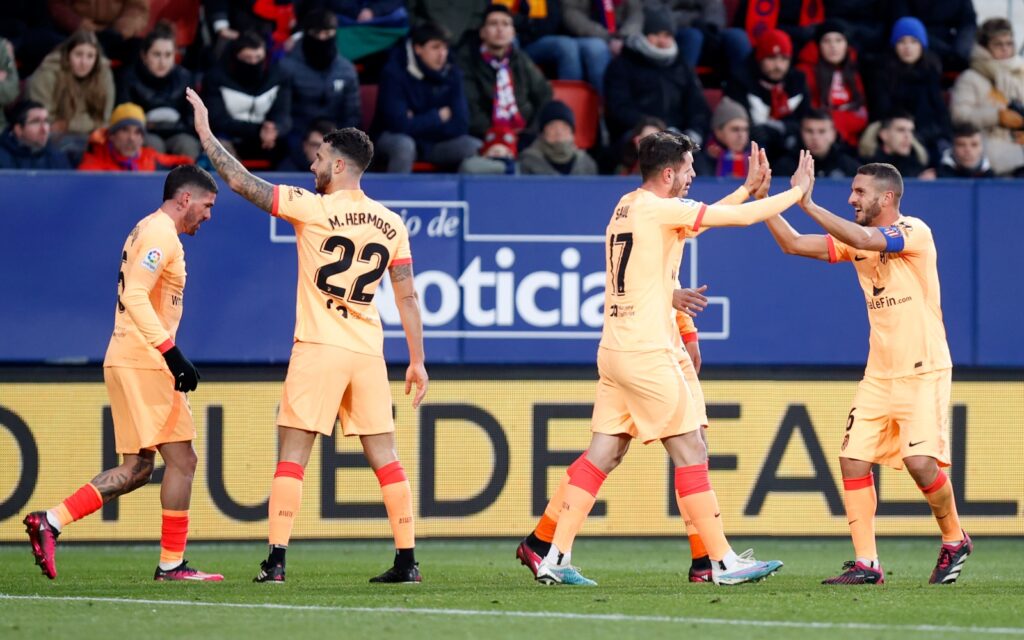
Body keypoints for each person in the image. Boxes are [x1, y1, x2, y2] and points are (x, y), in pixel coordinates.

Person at [518, 132, 811, 587]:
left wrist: (745, 190)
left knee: (603, 453)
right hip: (646, 351)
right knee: (690, 449)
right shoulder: (657, 209)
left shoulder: (628, 205)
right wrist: (795, 192)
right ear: (669, 172)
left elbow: (701, 221)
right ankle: (720, 561)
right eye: (690, 169)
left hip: (615, 349)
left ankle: (555, 555)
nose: (694, 176)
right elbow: (740, 220)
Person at [186, 87, 429, 584]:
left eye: (319, 157)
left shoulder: (311, 207)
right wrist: (418, 360)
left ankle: (275, 561)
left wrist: (207, 135)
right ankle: (407, 561)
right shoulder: (391, 223)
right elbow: (406, 296)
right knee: (387, 458)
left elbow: (240, 181)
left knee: (292, 455)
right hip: (367, 352)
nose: (313, 165)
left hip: (319, 346)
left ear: (339, 165)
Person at [762, 162, 972, 585]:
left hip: (922, 368)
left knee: (919, 463)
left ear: (887, 197)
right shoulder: (857, 240)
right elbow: (792, 244)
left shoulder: (914, 232)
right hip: (879, 372)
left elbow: (863, 237)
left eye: (859, 192)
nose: (851, 198)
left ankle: (955, 538)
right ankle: (867, 565)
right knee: (852, 459)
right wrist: (766, 201)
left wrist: (807, 202)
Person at [23, 165, 221, 582]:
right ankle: (171, 565)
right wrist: (171, 354)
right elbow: (134, 294)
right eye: (206, 206)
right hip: (144, 360)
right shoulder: (159, 234)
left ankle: (51, 521)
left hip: (129, 356)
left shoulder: (148, 230)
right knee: (183, 461)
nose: (208, 215)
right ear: (185, 198)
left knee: (138, 469)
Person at [375, 22, 481, 173]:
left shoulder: (453, 74)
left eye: (444, 47)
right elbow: (398, 125)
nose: (442, 54)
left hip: (435, 144)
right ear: (418, 49)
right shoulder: (394, 73)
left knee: (473, 146)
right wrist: (438, 117)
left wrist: (416, 120)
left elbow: (461, 125)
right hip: (394, 139)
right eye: (435, 47)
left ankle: (458, 195)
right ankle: (397, 196)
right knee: (404, 146)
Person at [604, 8, 710, 147]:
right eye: (656, 34)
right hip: (636, 134)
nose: (662, 41)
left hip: (679, 137)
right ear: (643, 35)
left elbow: (698, 107)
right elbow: (618, 108)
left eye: (667, 35)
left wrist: (694, 132)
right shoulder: (623, 65)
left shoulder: (681, 66)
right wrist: (652, 126)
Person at [458, 4, 552, 141]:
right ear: (482, 32)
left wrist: (532, 130)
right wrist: (499, 134)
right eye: (493, 24)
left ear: (513, 33)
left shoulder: (521, 59)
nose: (500, 29)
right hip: (485, 136)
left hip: (524, 133)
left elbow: (544, 94)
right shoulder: (467, 61)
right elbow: (471, 108)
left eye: (505, 24)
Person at [201, 30, 292, 167]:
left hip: (266, 140)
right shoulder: (215, 78)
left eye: (258, 58)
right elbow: (217, 120)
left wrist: (275, 128)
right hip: (229, 138)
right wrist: (258, 130)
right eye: (247, 58)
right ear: (235, 57)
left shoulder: (278, 76)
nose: (254, 63)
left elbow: (283, 114)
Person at [867, 17, 952, 165]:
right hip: (893, 137)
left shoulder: (931, 73)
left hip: (927, 138)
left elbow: (940, 115)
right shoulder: (882, 73)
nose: (907, 47)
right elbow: (881, 111)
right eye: (902, 42)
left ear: (921, 45)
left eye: (913, 41)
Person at [950, 18, 1024, 177]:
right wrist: (997, 116)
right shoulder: (970, 78)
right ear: (984, 47)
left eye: (1009, 43)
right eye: (998, 44)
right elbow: (959, 116)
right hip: (987, 148)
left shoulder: (1021, 73)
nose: (1005, 49)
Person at [280, 9, 361, 154]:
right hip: (297, 139)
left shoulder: (346, 70)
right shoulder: (287, 67)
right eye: (317, 34)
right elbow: (283, 114)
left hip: (336, 139)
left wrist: (338, 141)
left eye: (328, 34)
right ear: (307, 33)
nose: (322, 39)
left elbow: (351, 115)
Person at [116, 23, 200, 159]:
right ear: (144, 56)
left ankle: (188, 181)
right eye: (156, 54)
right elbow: (126, 118)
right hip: (144, 133)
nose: (163, 62)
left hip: (179, 133)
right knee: (153, 145)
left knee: (187, 145)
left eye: (168, 55)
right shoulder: (129, 78)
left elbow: (192, 119)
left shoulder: (185, 78)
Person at [725, 28, 810, 163]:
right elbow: (735, 120)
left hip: (790, 147)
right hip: (752, 148)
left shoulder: (797, 82)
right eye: (771, 58)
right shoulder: (740, 81)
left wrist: (778, 130)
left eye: (784, 59)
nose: (778, 65)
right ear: (760, 58)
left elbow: (806, 120)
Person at [27, 30, 115, 159]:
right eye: (78, 55)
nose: (84, 62)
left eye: (90, 56)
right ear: (68, 54)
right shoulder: (47, 73)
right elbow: (44, 118)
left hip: (92, 134)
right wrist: (89, 124)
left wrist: (68, 124)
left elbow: (104, 118)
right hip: (53, 135)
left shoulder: (103, 74)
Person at [796, 20, 866, 149]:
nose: (833, 46)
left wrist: (837, 121)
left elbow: (862, 114)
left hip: (851, 142)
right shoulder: (805, 71)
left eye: (838, 40)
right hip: (817, 140)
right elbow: (811, 111)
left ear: (847, 45)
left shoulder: (854, 72)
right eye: (827, 41)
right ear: (818, 45)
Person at [79, 102, 194, 171]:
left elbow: (187, 164)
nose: (131, 138)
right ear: (111, 135)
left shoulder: (149, 157)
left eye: (137, 132)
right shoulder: (94, 163)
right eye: (125, 130)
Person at [562, 0, 644, 93]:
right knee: (596, 48)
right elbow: (571, 15)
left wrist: (623, 37)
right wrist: (607, 37)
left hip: (621, 36)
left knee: (639, 48)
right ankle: (602, 99)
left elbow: (635, 15)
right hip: (583, 36)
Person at [519, 99, 598, 175]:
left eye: (564, 127)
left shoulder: (586, 163)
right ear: (542, 133)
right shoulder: (528, 162)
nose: (559, 132)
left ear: (572, 133)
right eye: (553, 127)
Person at [775, 109, 858, 177]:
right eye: (809, 131)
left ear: (833, 134)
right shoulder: (784, 167)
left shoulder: (850, 168)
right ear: (801, 133)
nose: (815, 137)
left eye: (822, 131)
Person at [0, 100, 73, 169]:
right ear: (18, 130)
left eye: (46, 121)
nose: (44, 129)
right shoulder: (2, 156)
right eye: (35, 122)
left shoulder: (57, 156)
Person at [859, 113, 934, 180]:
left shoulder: (917, 169)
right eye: (901, 130)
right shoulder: (865, 167)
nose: (907, 136)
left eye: (911, 131)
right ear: (884, 134)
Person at [693, 96, 750, 177]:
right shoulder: (698, 161)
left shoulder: (756, 158)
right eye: (735, 129)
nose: (741, 135)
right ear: (718, 131)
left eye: (745, 129)